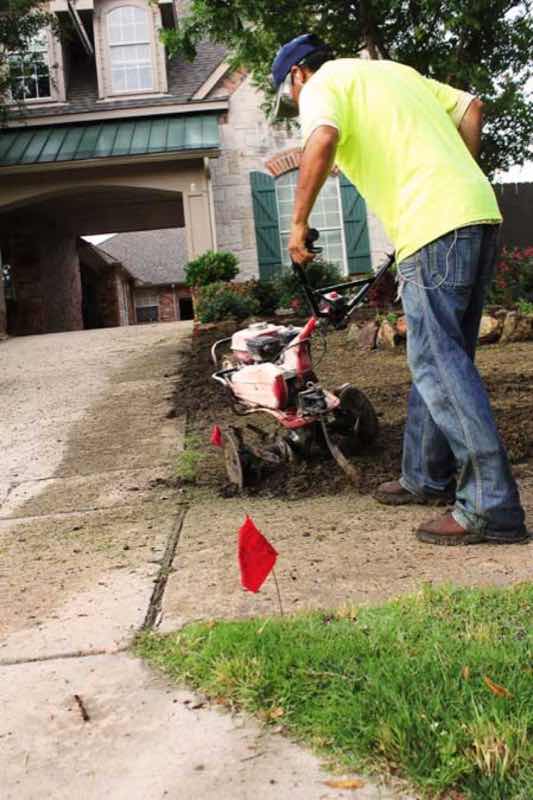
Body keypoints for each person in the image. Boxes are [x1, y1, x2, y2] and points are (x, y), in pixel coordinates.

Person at [270, 34, 528, 546]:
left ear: (298, 75)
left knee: (437, 362)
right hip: (478, 214)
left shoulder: (323, 84)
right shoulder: (393, 73)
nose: (297, 103)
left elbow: (319, 140)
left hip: (434, 226)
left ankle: (490, 506)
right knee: (444, 358)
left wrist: (297, 225)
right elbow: (472, 108)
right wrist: (457, 178)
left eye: (290, 96)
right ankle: (425, 476)